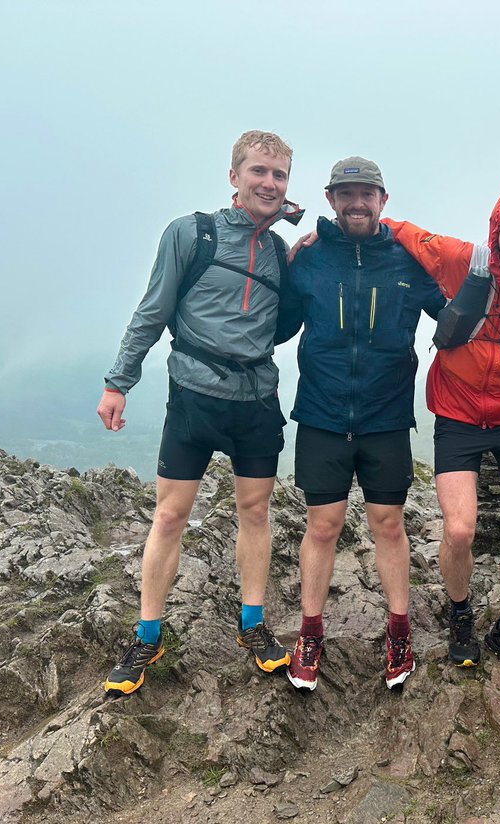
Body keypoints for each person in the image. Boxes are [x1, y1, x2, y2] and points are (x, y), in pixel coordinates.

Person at [98, 130, 303, 697]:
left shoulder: (281, 253)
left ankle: (253, 624)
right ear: (234, 175)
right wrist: (119, 382)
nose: (269, 183)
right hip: (193, 393)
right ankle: (147, 635)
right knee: (170, 515)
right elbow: (153, 308)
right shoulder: (192, 233)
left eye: (280, 175)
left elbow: (284, 323)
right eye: (259, 171)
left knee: (256, 511)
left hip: (257, 397)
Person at [381, 183, 500, 679]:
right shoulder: (462, 261)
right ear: (496, 231)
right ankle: (461, 613)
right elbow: (404, 232)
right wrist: (323, 237)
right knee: (460, 529)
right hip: (457, 416)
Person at [278, 157, 446, 690]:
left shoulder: (408, 261)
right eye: (346, 194)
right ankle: (310, 632)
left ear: (383, 200)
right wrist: (282, 263)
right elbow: (278, 327)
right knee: (322, 526)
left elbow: (456, 315)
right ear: (330, 199)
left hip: (386, 416)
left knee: (389, 526)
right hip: (323, 415)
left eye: (366, 194)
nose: (356, 203)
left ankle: (399, 631)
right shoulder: (310, 259)